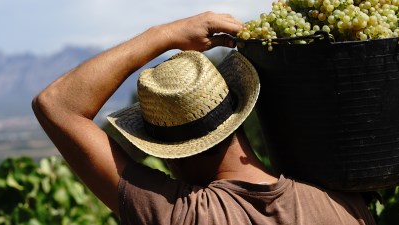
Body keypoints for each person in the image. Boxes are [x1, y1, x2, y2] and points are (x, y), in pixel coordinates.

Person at [32, 11, 376, 225]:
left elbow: (56, 104)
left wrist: (165, 34)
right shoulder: (345, 204)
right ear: (240, 111)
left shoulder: (180, 214)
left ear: (169, 155)